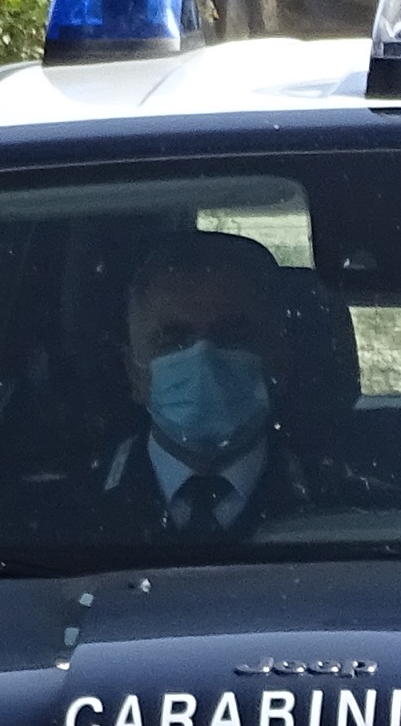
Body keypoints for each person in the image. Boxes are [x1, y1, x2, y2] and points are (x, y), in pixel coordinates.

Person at [86, 229, 321, 549]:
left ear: (279, 360)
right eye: (172, 340)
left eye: (231, 335)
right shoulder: (55, 517)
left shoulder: (351, 515)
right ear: (134, 373)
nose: (203, 357)